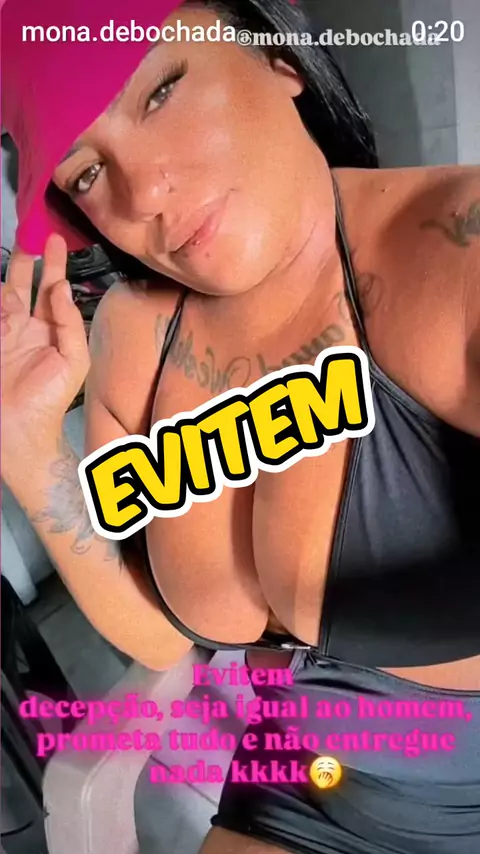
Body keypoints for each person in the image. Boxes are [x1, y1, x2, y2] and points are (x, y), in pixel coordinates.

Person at [2, 0, 480, 852]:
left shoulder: (454, 252)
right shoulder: (134, 335)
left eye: (160, 91)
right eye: (88, 171)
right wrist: (27, 444)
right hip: (293, 782)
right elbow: (159, 633)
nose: (145, 193)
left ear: (278, 56)